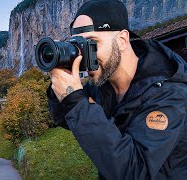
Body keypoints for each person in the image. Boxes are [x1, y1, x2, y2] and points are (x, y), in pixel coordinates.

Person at [47, 0, 187, 179]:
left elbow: (134, 172)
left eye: (92, 44)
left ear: (122, 40)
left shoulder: (169, 94)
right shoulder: (103, 85)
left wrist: (75, 100)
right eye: (79, 46)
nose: (84, 57)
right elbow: (64, 118)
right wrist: (61, 84)